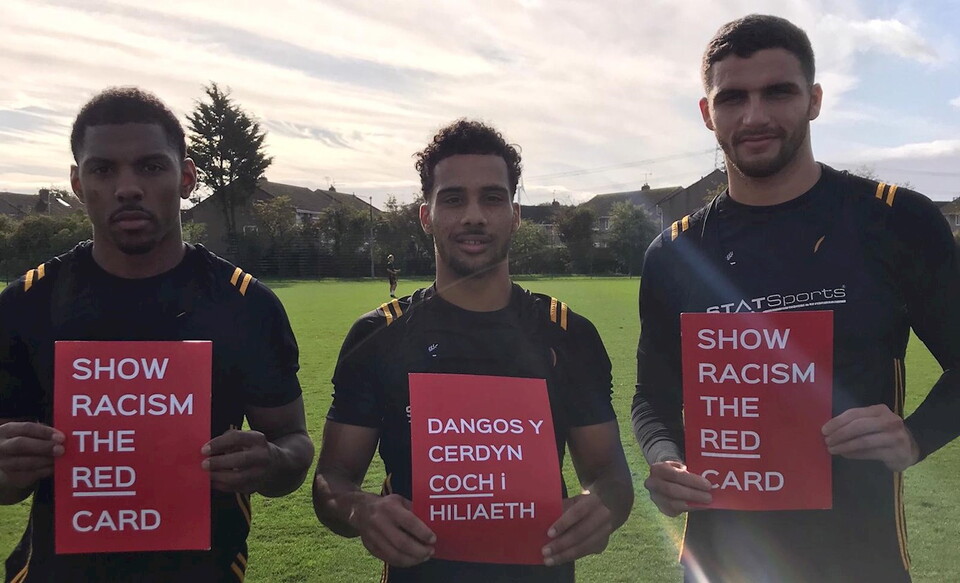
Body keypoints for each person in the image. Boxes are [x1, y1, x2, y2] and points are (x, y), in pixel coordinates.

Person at [632, 14, 960, 582]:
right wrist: (665, 458)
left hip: (860, 562)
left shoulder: (895, 220)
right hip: (720, 565)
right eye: (733, 98)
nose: (754, 116)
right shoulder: (675, 252)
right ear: (708, 113)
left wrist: (915, 436)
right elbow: (652, 398)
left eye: (778, 92)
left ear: (814, 100)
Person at [0, 87, 314, 582]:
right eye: (103, 170)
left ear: (186, 177)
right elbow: (8, 483)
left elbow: (293, 443)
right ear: (78, 183)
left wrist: (271, 461)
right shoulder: (26, 304)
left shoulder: (246, 305)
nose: (127, 187)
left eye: (150, 166)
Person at [313, 119, 633, 582]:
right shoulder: (378, 336)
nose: (474, 215)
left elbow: (610, 473)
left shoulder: (567, 334)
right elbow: (332, 478)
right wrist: (359, 509)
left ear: (515, 215)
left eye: (492, 198)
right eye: (453, 199)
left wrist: (602, 507)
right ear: (426, 216)